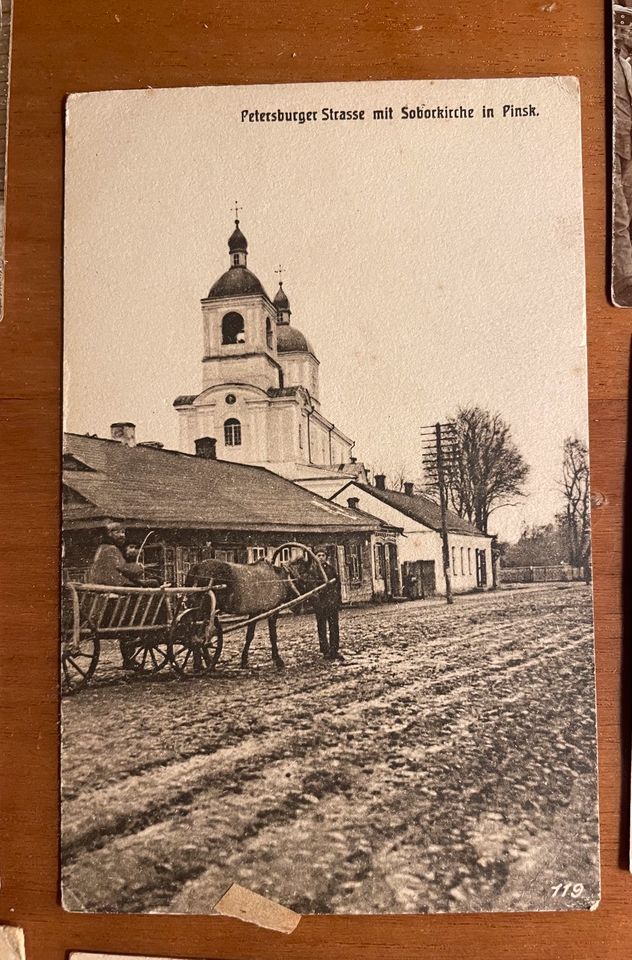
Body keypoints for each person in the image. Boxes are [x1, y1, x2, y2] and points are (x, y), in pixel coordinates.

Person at [311, 548, 344, 662]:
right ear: (315, 557)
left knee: (334, 626)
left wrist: (337, 600)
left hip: (331, 603)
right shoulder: (313, 571)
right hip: (320, 604)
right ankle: (325, 650)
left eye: (323, 555)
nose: (320, 557)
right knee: (321, 627)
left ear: (326, 557)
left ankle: (334, 650)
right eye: (318, 555)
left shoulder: (331, 569)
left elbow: (337, 585)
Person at [88, 522, 146, 586]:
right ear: (109, 534)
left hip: (105, 582)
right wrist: (138, 567)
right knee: (151, 584)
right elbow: (123, 568)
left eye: (123, 532)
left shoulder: (102, 547)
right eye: (117, 532)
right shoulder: (110, 549)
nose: (122, 535)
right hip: (111, 583)